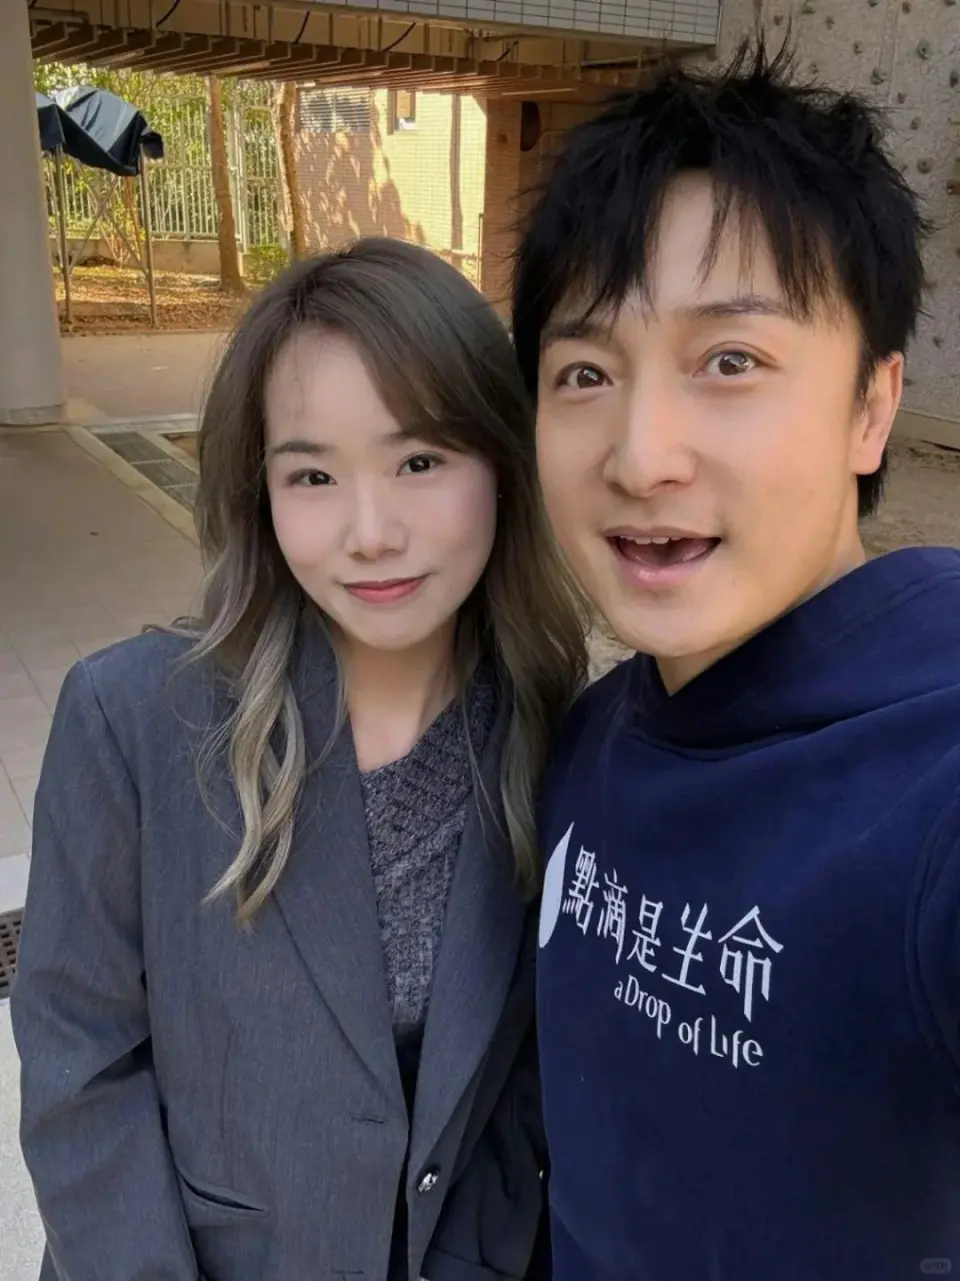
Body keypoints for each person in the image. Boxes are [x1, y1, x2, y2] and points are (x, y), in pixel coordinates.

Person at [12, 237, 587, 1281]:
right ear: (261, 494)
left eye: (420, 461)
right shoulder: (133, 721)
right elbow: (78, 1064)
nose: (371, 533)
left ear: (504, 465)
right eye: (313, 475)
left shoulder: (550, 730)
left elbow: (520, 1087)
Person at [515, 39, 960, 1281]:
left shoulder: (932, 781)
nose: (641, 455)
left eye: (731, 362)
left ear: (872, 406)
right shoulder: (591, 736)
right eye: (586, 372)